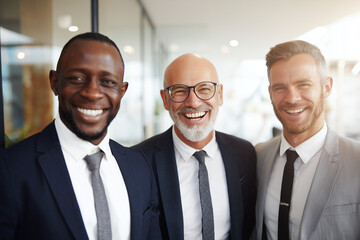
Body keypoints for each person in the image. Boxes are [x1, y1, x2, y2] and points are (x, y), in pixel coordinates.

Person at [0, 32, 161, 240]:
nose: (92, 93)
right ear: (55, 82)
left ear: (122, 91)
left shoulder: (139, 166)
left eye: (108, 82)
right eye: (77, 78)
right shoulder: (10, 170)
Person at [133, 53, 257, 240]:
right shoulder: (140, 160)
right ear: (165, 99)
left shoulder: (244, 153)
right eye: (179, 91)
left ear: (220, 94)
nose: (193, 102)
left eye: (204, 89)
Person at [255, 40, 360, 240]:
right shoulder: (259, 156)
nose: (292, 98)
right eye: (280, 88)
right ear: (270, 93)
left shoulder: (357, 160)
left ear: (326, 87)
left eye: (303, 85)